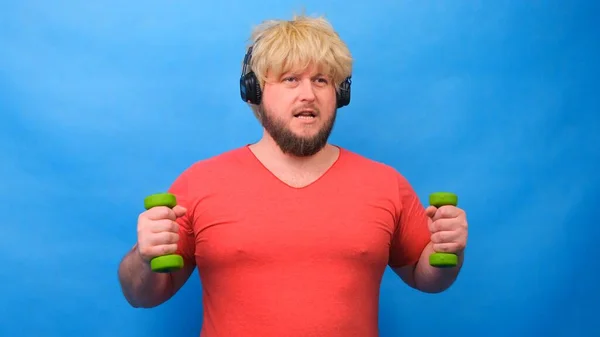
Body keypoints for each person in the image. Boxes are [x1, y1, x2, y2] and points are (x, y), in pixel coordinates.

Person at [117, 13, 468, 337]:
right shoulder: (199, 183)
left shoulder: (385, 183)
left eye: (321, 80)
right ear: (254, 92)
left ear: (340, 93)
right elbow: (141, 295)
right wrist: (144, 256)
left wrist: (448, 250)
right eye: (290, 79)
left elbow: (427, 278)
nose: (308, 94)